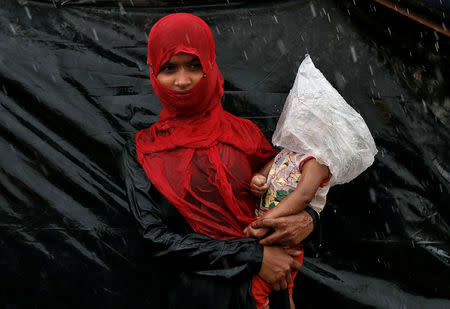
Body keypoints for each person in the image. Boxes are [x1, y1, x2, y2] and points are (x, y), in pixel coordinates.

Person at [122, 13, 321, 309]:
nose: (182, 81)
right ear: (153, 72)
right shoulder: (144, 151)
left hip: (269, 288)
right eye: (168, 68)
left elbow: (291, 190)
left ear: (211, 65)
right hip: (198, 295)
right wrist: (253, 257)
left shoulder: (246, 136)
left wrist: (310, 221)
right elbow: (155, 239)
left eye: (194, 65)